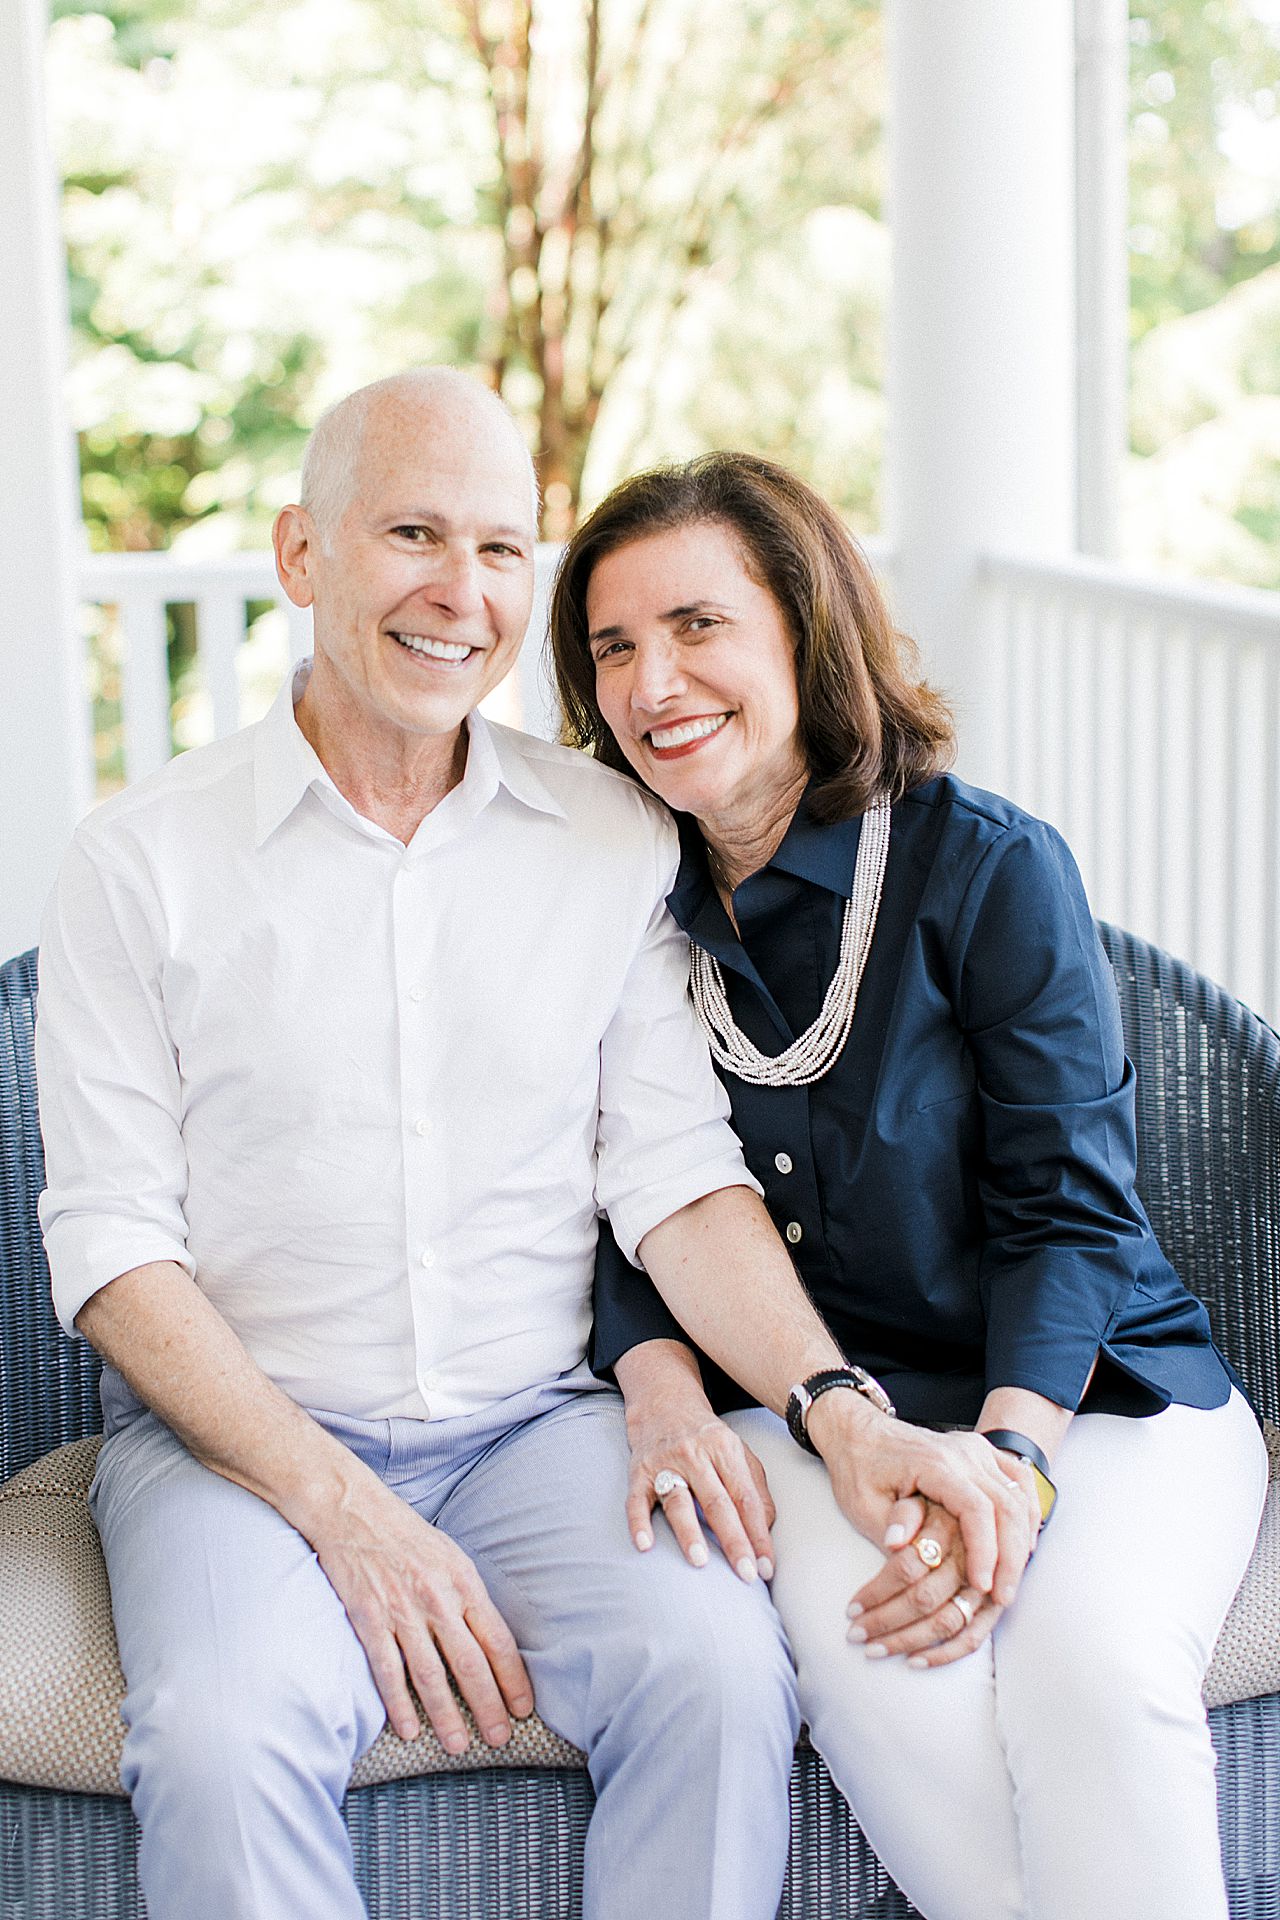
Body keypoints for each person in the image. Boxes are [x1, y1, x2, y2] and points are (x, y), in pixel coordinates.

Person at [36, 372, 1029, 1920]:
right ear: (302, 555)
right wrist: (347, 1515)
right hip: (235, 1447)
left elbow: (676, 1179)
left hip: (532, 1431)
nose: (463, 592)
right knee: (224, 1740)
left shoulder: (610, 837)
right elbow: (111, 1251)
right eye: (413, 534)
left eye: (504, 550)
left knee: (714, 1675)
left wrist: (835, 1409)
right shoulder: (137, 860)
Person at [548, 449, 1269, 1920]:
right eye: (612, 648)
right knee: (893, 1677)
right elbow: (626, 1194)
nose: (651, 681)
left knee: (1091, 1677)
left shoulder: (987, 867)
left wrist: (1009, 1462)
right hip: (818, 1418)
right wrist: (661, 1377)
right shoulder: (615, 900)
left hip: (1093, 1396)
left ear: (803, 632)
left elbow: (1072, 1207)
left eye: (698, 626)